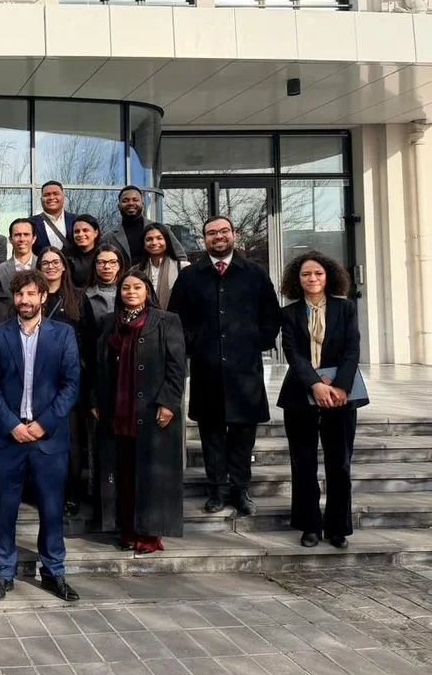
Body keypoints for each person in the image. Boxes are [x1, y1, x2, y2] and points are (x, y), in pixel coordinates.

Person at [168, 215, 281, 516]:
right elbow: (175, 319)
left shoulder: (254, 273)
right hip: (207, 369)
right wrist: (195, 345)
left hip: (245, 371)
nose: (218, 237)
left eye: (223, 231)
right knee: (212, 434)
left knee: (244, 435)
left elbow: (271, 315)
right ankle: (217, 489)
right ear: (204, 238)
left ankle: (240, 489)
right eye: (211, 233)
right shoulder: (190, 276)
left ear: (234, 234)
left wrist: (255, 342)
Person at [0, 270, 80, 603]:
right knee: (4, 510)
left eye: (30, 294)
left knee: (51, 509)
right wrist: (12, 424)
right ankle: (2, 573)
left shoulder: (63, 334)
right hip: (7, 437)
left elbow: (71, 385)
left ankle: (54, 571)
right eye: (19, 294)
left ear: (43, 296)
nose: (24, 300)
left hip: (47, 439)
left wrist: (45, 423)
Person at [94, 270, 186, 555]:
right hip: (118, 411)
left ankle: (148, 535)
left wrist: (169, 403)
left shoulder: (166, 321)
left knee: (151, 476)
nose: (131, 292)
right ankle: (127, 531)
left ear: (147, 291)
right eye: (126, 288)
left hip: (153, 410)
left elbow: (177, 366)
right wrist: (96, 401)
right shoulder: (108, 322)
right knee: (124, 473)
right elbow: (98, 365)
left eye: (137, 287)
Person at [277, 251, 361, 550]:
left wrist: (340, 387)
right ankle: (309, 525)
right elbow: (292, 353)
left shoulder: (345, 308)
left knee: (340, 464)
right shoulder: (289, 313)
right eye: (305, 274)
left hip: (340, 396)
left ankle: (338, 528)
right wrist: (315, 384)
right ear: (297, 280)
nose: (312, 278)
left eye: (318, 273)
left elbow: (352, 348)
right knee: (303, 464)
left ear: (328, 276)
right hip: (300, 395)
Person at [38, 247, 88, 514]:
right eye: (45, 263)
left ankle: (71, 494)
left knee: (71, 441)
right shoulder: (32, 297)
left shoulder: (78, 298)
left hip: (69, 381)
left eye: (55, 262)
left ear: (64, 266)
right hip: (38, 381)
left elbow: (88, 341)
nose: (50, 266)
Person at [102, 186, 185, 267]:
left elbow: (181, 257)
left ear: (142, 204)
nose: (131, 203)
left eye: (135, 200)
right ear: (119, 206)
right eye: (125, 200)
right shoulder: (108, 238)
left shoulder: (162, 230)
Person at [137, 222, 190, 310]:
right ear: (143, 244)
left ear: (167, 241)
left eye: (159, 238)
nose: (154, 242)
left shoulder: (183, 268)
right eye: (149, 239)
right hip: (144, 318)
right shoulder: (137, 271)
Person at [82, 245, 125, 346]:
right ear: (95, 265)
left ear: (119, 265)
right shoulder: (84, 296)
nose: (107, 267)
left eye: (113, 262)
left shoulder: (128, 292)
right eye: (101, 262)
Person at [31, 181, 77, 255]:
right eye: (47, 195)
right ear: (41, 199)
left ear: (63, 197)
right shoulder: (30, 223)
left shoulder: (76, 221)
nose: (51, 198)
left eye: (56, 194)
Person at [0, 218, 38, 292]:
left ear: (34, 238)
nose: (22, 239)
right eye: (17, 235)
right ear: (10, 239)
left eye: (26, 234)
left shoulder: (43, 266)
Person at [67, 214, 102, 288]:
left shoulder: (105, 254)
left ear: (96, 233)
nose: (80, 234)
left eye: (85, 230)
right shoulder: (66, 257)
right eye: (76, 231)